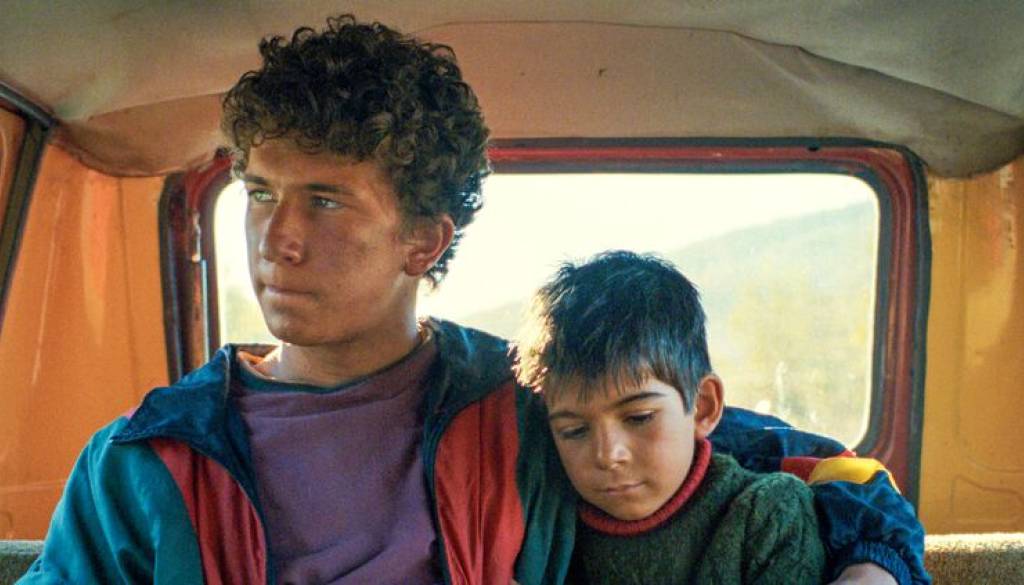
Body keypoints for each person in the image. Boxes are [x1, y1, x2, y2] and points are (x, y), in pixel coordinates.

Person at [20, 14, 929, 585]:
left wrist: (873, 570)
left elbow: (833, 472)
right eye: (259, 192)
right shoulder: (148, 456)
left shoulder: (533, 401)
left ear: (424, 241)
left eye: (325, 201)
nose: (275, 237)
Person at [514, 250, 827, 583]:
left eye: (639, 417)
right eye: (574, 430)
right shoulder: (547, 532)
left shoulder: (769, 513)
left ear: (703, 407)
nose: (608, 455)